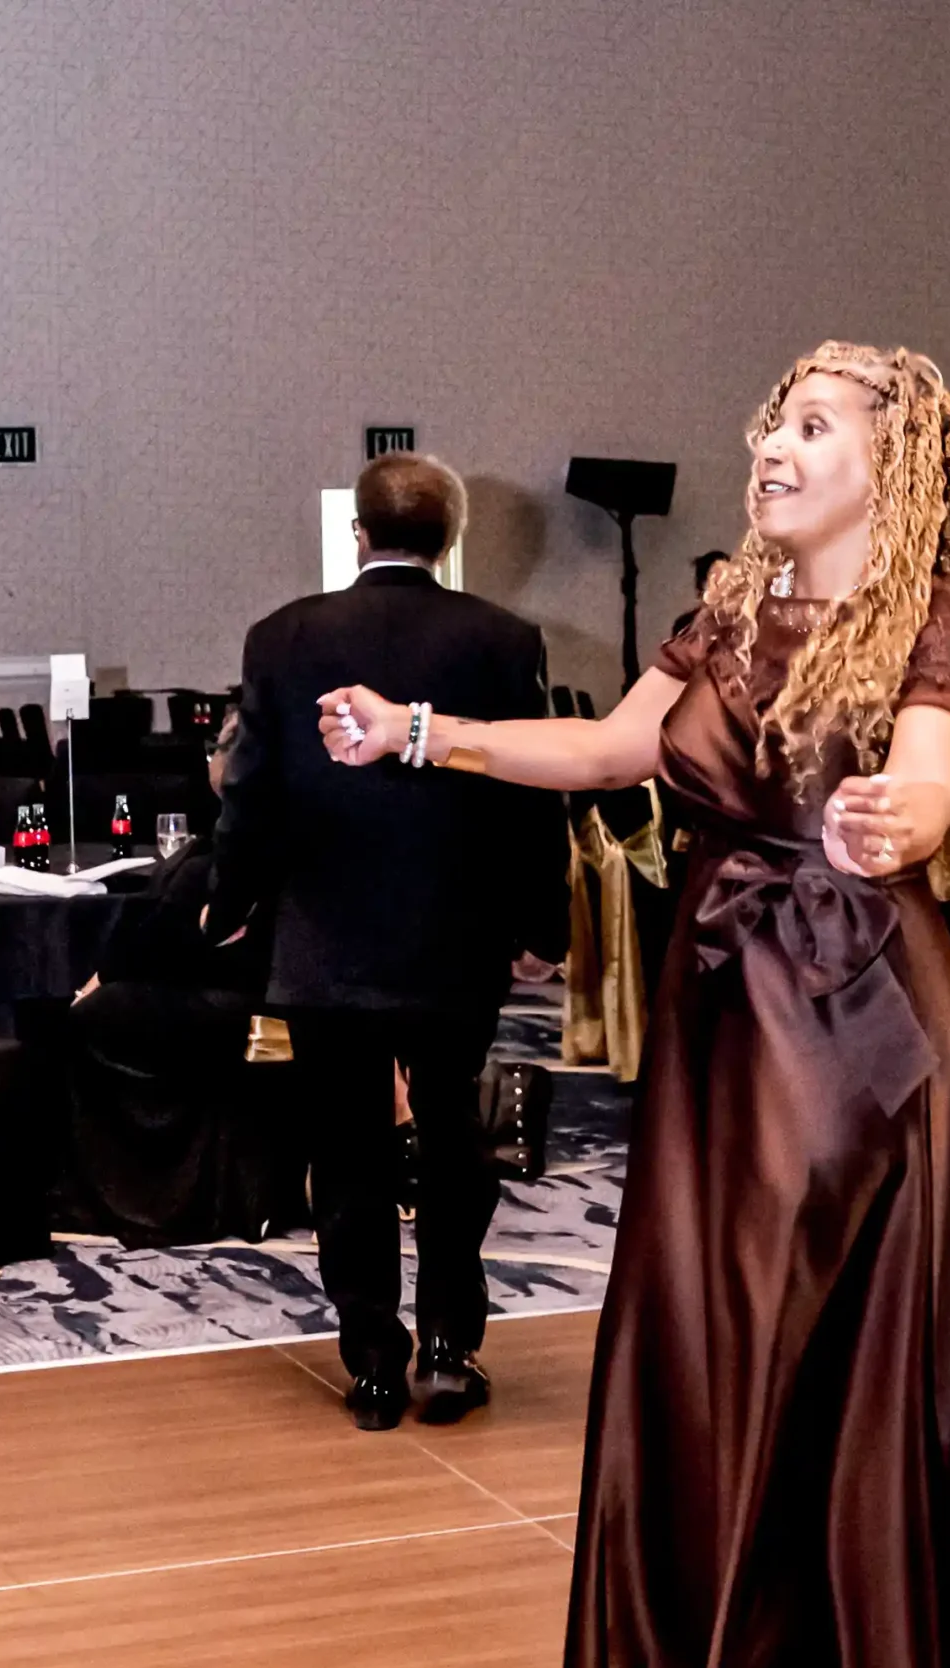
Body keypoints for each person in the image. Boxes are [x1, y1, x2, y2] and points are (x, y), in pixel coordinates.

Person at [320, 344, 950, 1668]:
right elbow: (613, 753)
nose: (774, 446)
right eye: (771, 422)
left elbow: (938, 762)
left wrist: (903, 817)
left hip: (856, 1032)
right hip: (722, 1023)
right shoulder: (729, 613)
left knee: (810, 1383)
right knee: (706, 1375)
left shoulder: (941, 618)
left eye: (813, 425)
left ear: (892, 464)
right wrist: (420, 733)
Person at [210, 450, 565, 1430]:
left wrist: (229, 901)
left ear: (357, 533)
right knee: (453, 1136)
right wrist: (542, 925)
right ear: (449, 538)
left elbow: (251, 795)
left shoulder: (282, 637)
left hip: (327, 937)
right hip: (454, 932)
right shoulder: (502, 638)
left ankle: (370, 1361)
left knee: (346, 1148)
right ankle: (449, 1348)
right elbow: (533, 793)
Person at [58, 712, 286, 1246]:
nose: (210, 758)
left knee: (89, 1015)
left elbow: (188, 935)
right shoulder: (256, 825)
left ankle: (128, 1195)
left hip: (245, 996)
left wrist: (105, 975)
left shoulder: (249, 837)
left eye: (218, 747)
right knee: (107, 1002)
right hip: (249, 985)